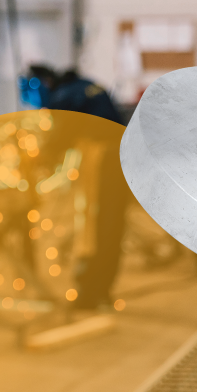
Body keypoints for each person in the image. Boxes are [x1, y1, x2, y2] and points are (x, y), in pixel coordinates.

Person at [26, 64, 127, 309]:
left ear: (46, 82)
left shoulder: (64, 96)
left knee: (90, 229)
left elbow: (58, 139)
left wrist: (35, 164)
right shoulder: (86, 85)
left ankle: (88, 294)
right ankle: (101, 291)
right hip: (123, 161)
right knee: (111, 228)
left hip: (103, 164)